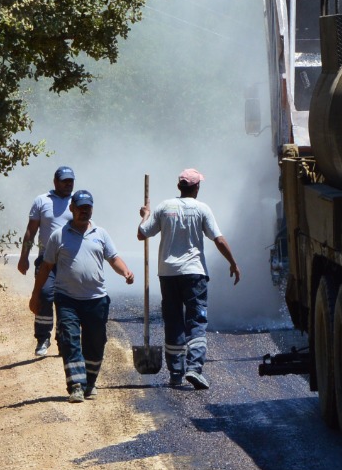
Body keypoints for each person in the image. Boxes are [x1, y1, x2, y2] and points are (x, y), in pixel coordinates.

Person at [137, 168, 240, 390]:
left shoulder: (164, 207)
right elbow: (218, 239)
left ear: (179, 187)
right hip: (194, 274)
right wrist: (232, 262)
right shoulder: (202, 209)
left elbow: (141, 233)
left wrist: (145, 214)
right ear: (196, 188)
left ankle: (175, 373)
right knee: (196, 320)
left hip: (168, 273)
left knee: (173, 321)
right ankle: (194, 367)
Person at [31, 189, 134, 403]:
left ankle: (90, 381)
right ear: (72, 209)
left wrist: (125, 271)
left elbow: (113, 257)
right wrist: (36, 295)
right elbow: (46, 267)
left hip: (96, 299)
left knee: (95, 343)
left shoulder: (101, 234)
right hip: (67, 299)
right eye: (80, 208)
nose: (84, 212)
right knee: (69, 341)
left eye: (88, 208)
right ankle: (76, 385)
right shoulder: (58, 235)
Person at [18, 165, 77, 356]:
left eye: (71, 181)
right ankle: (43, 338)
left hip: (70, 260)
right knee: (44, 295)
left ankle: (63, 339)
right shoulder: (42, 201)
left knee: (66, 300)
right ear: (55, 182)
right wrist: (24, 257)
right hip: (46, 259)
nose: (68, 184)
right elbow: (31, 230)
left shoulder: (77, 200)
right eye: (64, 181)